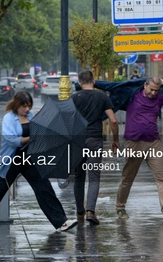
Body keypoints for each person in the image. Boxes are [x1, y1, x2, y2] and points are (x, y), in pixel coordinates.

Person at [0, 91, 77, 232]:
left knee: (44, 189)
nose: (27, 109)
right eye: (24, 106)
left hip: (30, 159)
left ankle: (61, 221)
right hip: (12, 159)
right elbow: (12, 141)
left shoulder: (31, 116)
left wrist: (41, 121)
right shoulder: (9, 118)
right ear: (17, 104)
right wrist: (32, 137)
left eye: (29, 106)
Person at [116, 76, 163, 220]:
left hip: (153, 143)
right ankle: (120, 207)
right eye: (152, 89)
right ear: (145, 85)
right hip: (133, 143)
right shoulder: (132, 96)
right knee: (128, 177)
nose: (154, 93)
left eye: (156, 90)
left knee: (161, 177)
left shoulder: (159, 99)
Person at [72, 70, 119, 225]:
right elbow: (112, 120)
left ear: (80, 83)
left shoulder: (74, 98)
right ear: (93, 81)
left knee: (79, 177)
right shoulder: (102, 97)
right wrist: (115, 139)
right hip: (95, 140)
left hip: (77, 141)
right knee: (94, 177)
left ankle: (79, 212)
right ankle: (90, 211)